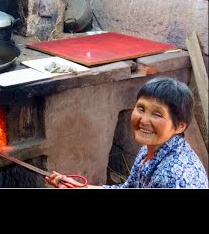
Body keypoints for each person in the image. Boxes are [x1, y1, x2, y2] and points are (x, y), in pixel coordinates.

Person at [45, 76, 208, 189]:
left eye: (157, 114)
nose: (144, 120)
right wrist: (77, 185)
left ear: (180, 126)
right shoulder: (150, 149)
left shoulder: (174, 175)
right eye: (141, 109)